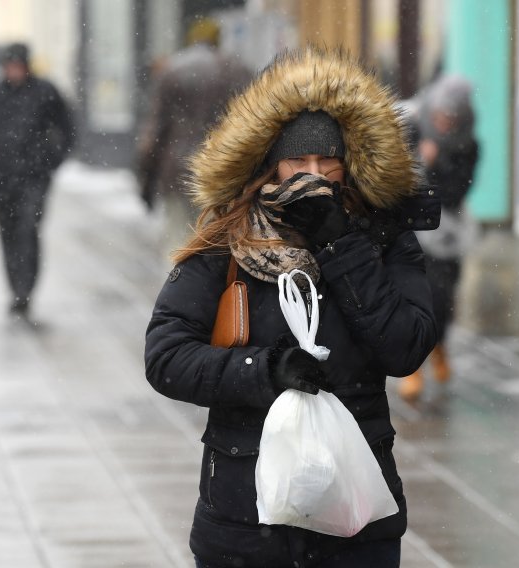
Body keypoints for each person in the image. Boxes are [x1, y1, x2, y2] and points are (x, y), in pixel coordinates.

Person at [144, 47, 437, 568]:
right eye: (297, 161)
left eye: (328, 161)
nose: (314, 175)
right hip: (244, 512)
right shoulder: (226, 240)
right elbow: (166, 358)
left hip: (354, 512)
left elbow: (404, 347)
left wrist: (340, 244)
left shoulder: (384, 238)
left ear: (350, 165)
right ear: (267, 164)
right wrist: (266, 369)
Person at [0, 42, 74, 318]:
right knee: (7, 232)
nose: (14, 71)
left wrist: (54, 160)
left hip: (34, 176)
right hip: (1, 177)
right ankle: (15, 285)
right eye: (10, 65)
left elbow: (67, 126)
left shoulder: (45, 92)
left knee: (28, 228)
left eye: (18, 65)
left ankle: (26, 288)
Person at [136, 18, 252, 261]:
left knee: (179, 243)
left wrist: (146, 180)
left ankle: (178, 294)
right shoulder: (239, 70)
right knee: (217, 243)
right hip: (222, 170)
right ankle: (215, 296)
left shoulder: (172, 70)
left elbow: (156, 132)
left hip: (177, 170)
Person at [397, 75, 480, 402]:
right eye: (440, 116)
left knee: (442, 300)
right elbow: (396, 178)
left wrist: (436, 163)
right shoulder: (412, 129)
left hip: (446, 234)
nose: (445, 123)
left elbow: (458, 192)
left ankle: (439, 345)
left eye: (452, 118)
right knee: (413, 297)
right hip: (409, 230)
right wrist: (421, 162)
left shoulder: (468, 145)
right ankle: (413, 365)